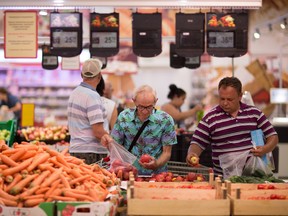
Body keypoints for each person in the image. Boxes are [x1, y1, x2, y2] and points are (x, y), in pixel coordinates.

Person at [186, 77, 279, 176]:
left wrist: (265, 149)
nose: (225, 103)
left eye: (230, 99)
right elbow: (197, 143)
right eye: (222, 98)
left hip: (254, 176)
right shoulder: (210, 118)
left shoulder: (254, 113)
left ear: (240, 96)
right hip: (224, 179)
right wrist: (192, 154)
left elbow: (273, 136)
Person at [101, 85, 177, 175]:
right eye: (141, 107)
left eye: (149, 107)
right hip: (129, 174)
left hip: (157, 175)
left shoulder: (166, 120)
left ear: (155, 102)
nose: (145, 111)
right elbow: (116, 146)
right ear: (134, 101)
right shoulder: (124, 117)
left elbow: (167, 152)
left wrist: (156, 164)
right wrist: (108, 142)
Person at [67, 58, 109, 164]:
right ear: (99, 75)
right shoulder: (92, 96)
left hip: (75, 150)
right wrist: (113, 142)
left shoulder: (74, 93)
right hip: (91, 152)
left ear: (82, 75)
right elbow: (98, 131)